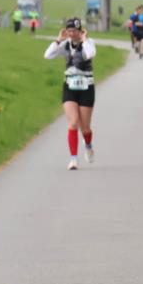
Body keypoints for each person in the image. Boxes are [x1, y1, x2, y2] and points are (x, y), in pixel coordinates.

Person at [44, 17, 97, 170]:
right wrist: (58, 39)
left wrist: (85, 39)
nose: (72, 34)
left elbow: (90, 54)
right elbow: (47, 55)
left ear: (81, 31)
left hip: (86, 87)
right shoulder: (65, 45)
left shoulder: (89, 43)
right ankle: (73, 159)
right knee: (73, 122)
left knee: (85, 127)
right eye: (69, 31)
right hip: (70, 87)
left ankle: (88, 145)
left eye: (75, 31)